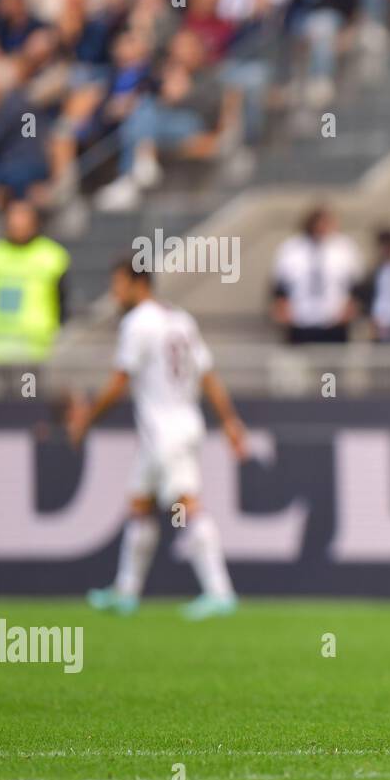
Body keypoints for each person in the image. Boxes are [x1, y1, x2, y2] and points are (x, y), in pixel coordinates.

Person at [66, 260, 249, 620]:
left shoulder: (138, 323)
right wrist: (229, 419)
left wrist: (88, 418)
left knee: (186, 506)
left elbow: (120, 380)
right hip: (172, 429)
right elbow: (207, 374)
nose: (114, 293)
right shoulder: (180, 318)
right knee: (139, 505)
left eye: (117, 284)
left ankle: (220, 592)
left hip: (166, 433)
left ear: (138, 283)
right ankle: (126, 591)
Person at [0, 200, 69, 363]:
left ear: (35, 222)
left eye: (23, 217)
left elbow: (63, 300)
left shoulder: (52, 256)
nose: (18, 222)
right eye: (14, 217)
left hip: (37, 348)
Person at [270, 204, 362, 342]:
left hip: (334, 320)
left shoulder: (344, 247)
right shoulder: (292, 248)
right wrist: (283, 311)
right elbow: (280, 285)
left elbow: (356, 284)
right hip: (300, 319)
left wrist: (349, 310)